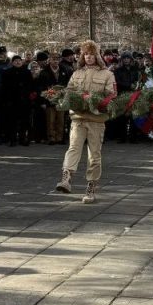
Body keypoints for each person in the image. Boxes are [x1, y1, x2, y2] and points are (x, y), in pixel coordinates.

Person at [57, 39, 116, 203]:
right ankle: (66, 178)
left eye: (92, 54)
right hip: (78, 118)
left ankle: (91, 187)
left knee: (94, 155)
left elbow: (111, 94)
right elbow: (69, 91)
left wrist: (97, 101)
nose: (89, 57)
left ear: (97, 56)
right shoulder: (77, 73)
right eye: (86, 54)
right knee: (73, 148)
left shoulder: (107, 74)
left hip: (96, 119)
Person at [36, 54, 69, 144]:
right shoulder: (44, 72)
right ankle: (51, 138)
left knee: (61, 120)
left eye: (57, 59)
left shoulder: (64, 70)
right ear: (49, 60)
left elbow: (67, 84)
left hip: (61, 99)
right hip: (49, 99)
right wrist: (43, 101)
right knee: (51, 120)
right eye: (53, 59)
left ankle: (60, 138)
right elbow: (40, 87)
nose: (55, 61)